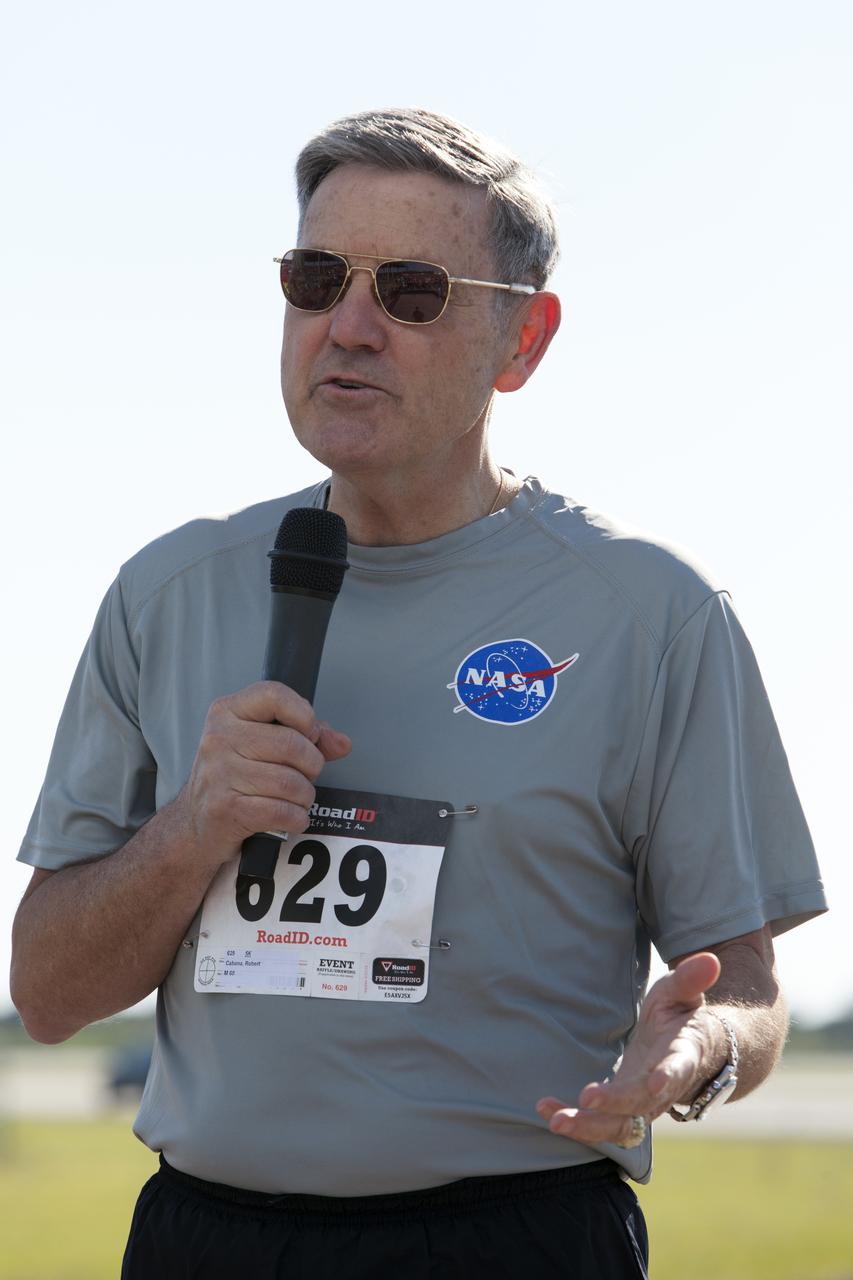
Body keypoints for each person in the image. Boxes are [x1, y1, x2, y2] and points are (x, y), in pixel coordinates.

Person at [11, 108, 826, 1279]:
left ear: (522, 340)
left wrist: (693, 1052)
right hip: (208, 1237)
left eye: (409, 290)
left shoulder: (650, 615)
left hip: (517, 1237)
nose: (346, 326)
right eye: (314, 277)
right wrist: (194, 827)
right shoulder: (165, 593)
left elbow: (744, 988)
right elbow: (45, 993)